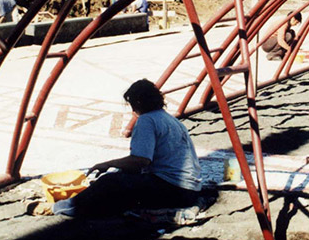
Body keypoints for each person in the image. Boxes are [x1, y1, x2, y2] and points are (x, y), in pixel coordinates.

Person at [29, 79, 202, 217]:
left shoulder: (146, 120)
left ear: (138, 102)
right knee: (121, 182)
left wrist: (107, 164)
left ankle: (58, 208)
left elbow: (141, 160)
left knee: (109, 182)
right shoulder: (169, 119)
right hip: (190, 190)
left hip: (174, 190)